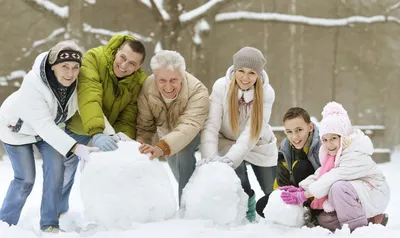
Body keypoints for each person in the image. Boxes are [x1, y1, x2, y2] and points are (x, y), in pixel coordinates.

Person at [0, 41, 99, 233]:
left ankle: (49, 225)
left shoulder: (78, 82)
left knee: (56, 172)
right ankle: (5, 225)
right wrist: (77, 148)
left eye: (75, 67)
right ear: (53, 67)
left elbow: (90, 108)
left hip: (47, 130)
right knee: (25, 179)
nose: (70, 73)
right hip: (16, 129)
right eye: (64, 67)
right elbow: (43, 124)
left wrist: (110, 133)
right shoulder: (33, 82)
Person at [61, 35, 147, 216]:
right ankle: (57, 214)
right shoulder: (93, 59)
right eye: (122, 58)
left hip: (109, 133)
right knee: (64, 173)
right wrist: (97, 132)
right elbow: (89, 95)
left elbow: (129, 114)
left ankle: (108, 215)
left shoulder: (138, 81)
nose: (124, 66)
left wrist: (123, 138)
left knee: (109, 173)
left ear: (139, 67)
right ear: (116, 52)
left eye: (132, 63)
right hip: (79, 126)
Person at [280, 102, 390, 232]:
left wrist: (304, 195)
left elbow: (331, 178)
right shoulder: (334, 155)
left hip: (374, 192)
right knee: (324, 220)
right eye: (325, 140)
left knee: (337, 187)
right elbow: (321, 174)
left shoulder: (355, 154)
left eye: (333, 138)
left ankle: (358, 230)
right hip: (356, 194)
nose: (329, 144)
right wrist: (301, 188)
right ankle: (372, 219)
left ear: (343, 138)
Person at [199, 46, 278, 222]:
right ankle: (247, 208)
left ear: (259, 74)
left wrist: (235, 156)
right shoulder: (221, 87)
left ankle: (279, 218)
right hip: (227, 140)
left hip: (259, 142)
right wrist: (210, 157)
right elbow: (211, 124)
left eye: (251, 73)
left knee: (271, 190)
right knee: (239, 176)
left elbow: (253, 131)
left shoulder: (266, 92)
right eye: (240, 71)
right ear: (234, 70)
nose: (245, 77)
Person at [136, 50, 210, 205]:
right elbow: (145, 125)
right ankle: (201, 194)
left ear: (182, 76)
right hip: (166, 135)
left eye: (173, 80)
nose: (168, 87)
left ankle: (186, 208)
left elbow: (188, 126)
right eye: (162, 80)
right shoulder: (147, 88)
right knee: (180, 175)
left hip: (195, 132)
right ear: (155, 77)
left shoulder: (198, 91)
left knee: (183, 153)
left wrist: (161, 147)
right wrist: (141, 145)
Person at [256, 107, 321, 219]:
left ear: (310, 127)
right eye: (289, 132)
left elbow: (327, 176)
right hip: (296, 192)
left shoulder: (322, 143)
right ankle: (299, 212)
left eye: (299, 130)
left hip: (317, 192)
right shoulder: (285, 148)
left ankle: (313, 212)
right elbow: (282, 181)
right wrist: (281, 196)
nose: (295, 137)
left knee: (301, 166)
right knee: (262, 206)